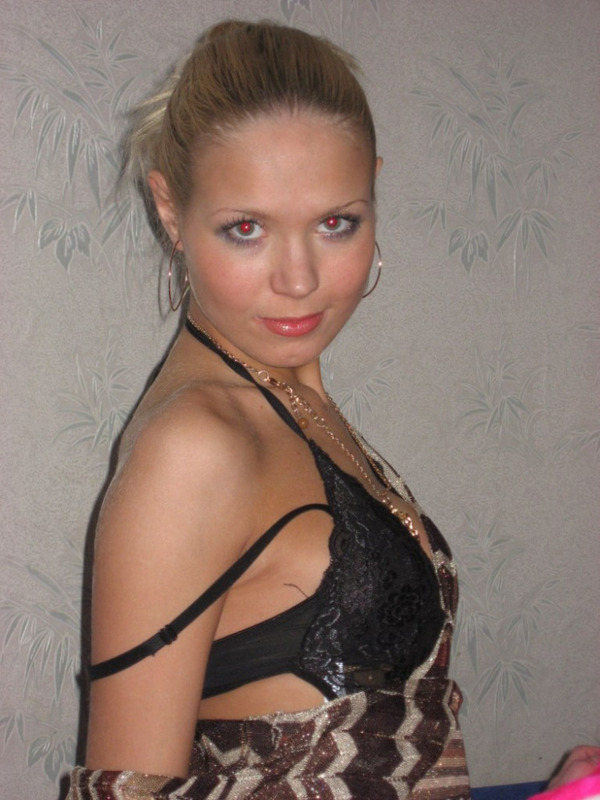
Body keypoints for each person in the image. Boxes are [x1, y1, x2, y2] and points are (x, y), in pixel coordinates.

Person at [67, 19, 471, 799]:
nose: (299, 279)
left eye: (335, 222)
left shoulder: (289, 398)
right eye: (246, 228)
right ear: (170, 209)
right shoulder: (196, 447)